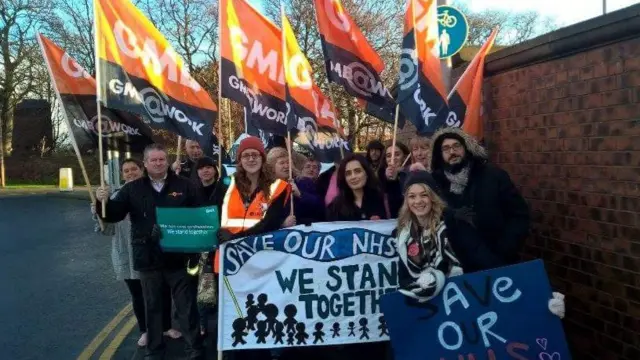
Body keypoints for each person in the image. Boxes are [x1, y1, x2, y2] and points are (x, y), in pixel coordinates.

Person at [395, 170, 565, 317]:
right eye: (412, 196)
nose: (418, 201)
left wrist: (543, 294)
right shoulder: (403, 237)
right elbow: (403, 279)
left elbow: (488, 261)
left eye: (424, 195)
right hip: (428, 313)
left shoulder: (454, 225)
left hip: (464, 304)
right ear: (406, 201)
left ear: (433, 197)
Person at [95, 144, 204, 360]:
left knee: (186, 306)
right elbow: (113, 215)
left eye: (162, 159)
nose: (158, 163)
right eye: (153, 160)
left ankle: (195, 350)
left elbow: (200, 215)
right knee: (152, 308)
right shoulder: (132, 188)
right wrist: (102, 201)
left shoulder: (185, 185)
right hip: (147, 257)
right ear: (145, 163)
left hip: (179, 257)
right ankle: (154, 351)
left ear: (167, 160)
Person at [91, 158, 180, 347]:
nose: (130, 173)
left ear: (142, 170)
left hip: (153, 252)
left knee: (162, 291)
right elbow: (106, 228)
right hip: (128, 253)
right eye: (126, 171)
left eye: (134, 169)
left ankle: (165, 326)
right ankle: (144, 330)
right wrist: (100, 204)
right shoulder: (116, 196)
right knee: (138, 294)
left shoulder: (153, 193)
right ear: (122, 175)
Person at [429, 127, 530, 271]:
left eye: (456, 146)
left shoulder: (493, 176)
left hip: (498, 261)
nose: (452, 152)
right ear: (439, 155)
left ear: (467, 147)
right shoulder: (434, 185)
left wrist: (507, 248)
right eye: (446, 149)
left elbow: (519, 215)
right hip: (456, 268)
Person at [267, 147, 324, 224]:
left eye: (288, 162)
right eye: (282, 163)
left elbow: (320, 206)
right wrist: (281, 224)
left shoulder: (303, 181)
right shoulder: (266, 187)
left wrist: (300, 194)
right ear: (272, 167)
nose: (286, 166)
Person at [326, 154, 387, 221]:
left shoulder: (382, 199)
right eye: (348, 173)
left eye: (357, 171)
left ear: (366, 173)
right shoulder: (335, 207)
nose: (353, 177)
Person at [380, 142, 411, 218]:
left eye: (397, 154)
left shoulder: (411, 175)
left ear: (404, 157)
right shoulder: (379, 177)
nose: (393, 158)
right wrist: (387, 180)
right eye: (388, 156)